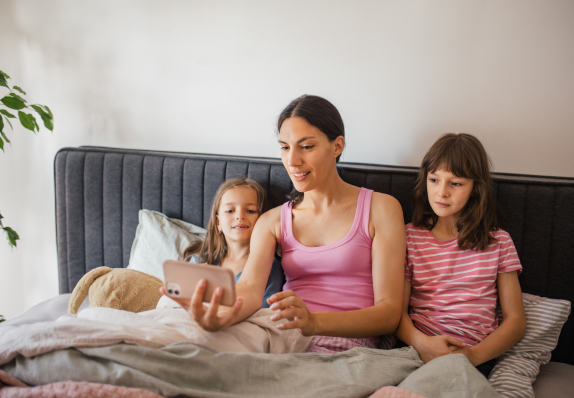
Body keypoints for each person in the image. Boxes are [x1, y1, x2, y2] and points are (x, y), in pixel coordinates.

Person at [164, 94, 406, 353]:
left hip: (350, 346)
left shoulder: (382, 208)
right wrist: (222, 318)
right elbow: (250, 289)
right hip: (282, 336)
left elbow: (389, 314)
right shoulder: (272, 221)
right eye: (285, 147)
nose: (292, 161)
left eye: (306, 146)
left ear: (337, 146)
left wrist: (314, 322)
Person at [395, 133, 527, 377]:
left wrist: (473, 356)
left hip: (472, 356)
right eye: (434, 179)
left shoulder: (499, 242)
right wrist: (422, 343)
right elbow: (396, 312)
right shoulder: (408, 237)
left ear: (476, 187)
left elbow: (516, 321)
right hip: (415, 349)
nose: (441, 192)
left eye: (455, 183)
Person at [166, 177, 285, 308]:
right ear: (218, 223)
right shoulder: (201, 261)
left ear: (263, 220)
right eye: (230, 211)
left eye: (250, 210)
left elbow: (264, 309)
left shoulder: (270, 267)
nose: (240, 216)